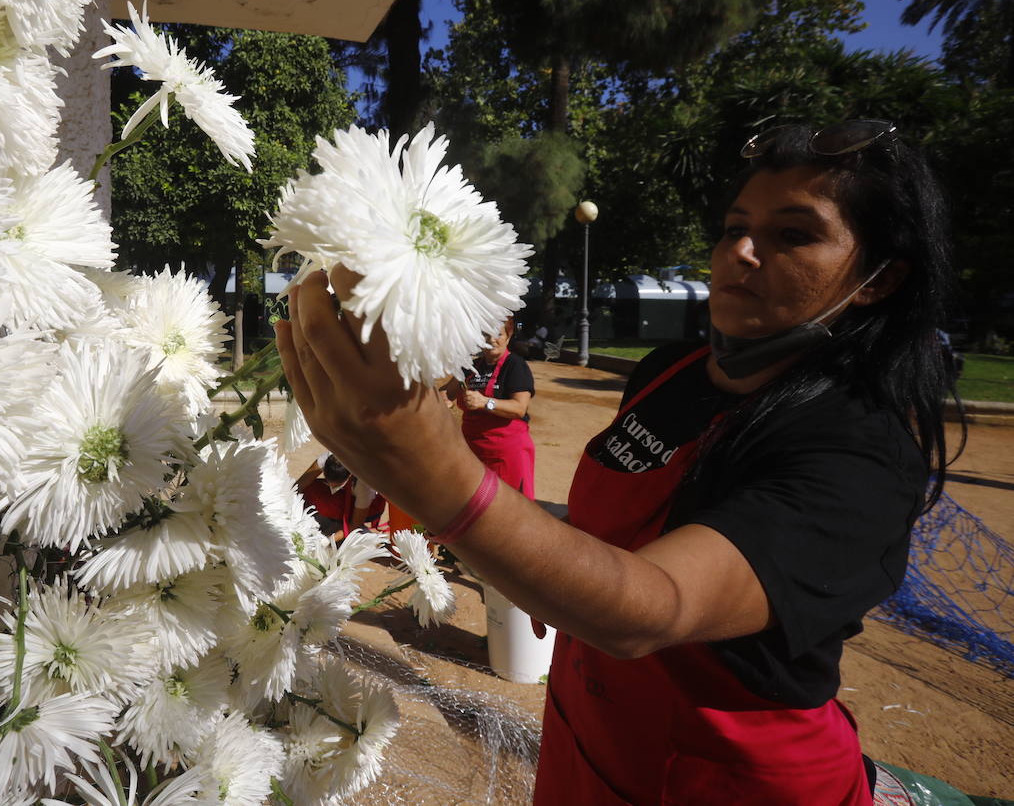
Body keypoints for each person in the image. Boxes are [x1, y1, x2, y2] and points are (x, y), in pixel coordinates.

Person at [275, 119, 962, 805]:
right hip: (586, 741)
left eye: (793, 234)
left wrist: (439, 475)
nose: (742, 252)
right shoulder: (673, 372)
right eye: (733, 227)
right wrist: (556, 574)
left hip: (730, 782)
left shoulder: (861, 452)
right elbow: (607, 530)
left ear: (879, 278)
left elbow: (652, 609)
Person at [445, 318, 537, 499]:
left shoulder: (516, 365)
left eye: (498, 334)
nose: (491, 340)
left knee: (509, 509)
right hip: (473, 452)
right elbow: (446, 394)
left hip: (506, 454)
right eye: (486, 335)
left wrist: (485, 402)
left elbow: (519, 408)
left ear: (508, 336)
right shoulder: (470, 366)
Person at [294, 452, 386, 542]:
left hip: (371, 507)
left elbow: (356, 524)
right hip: (348, 493)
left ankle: (364, 531)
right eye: (327, 480)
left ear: (349, 475)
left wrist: (329, 541)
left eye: (337, 485)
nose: (331, 487)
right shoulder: (325, 459)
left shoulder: (363, 485)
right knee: (310, 489)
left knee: (329, 506)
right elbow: (297, 487)